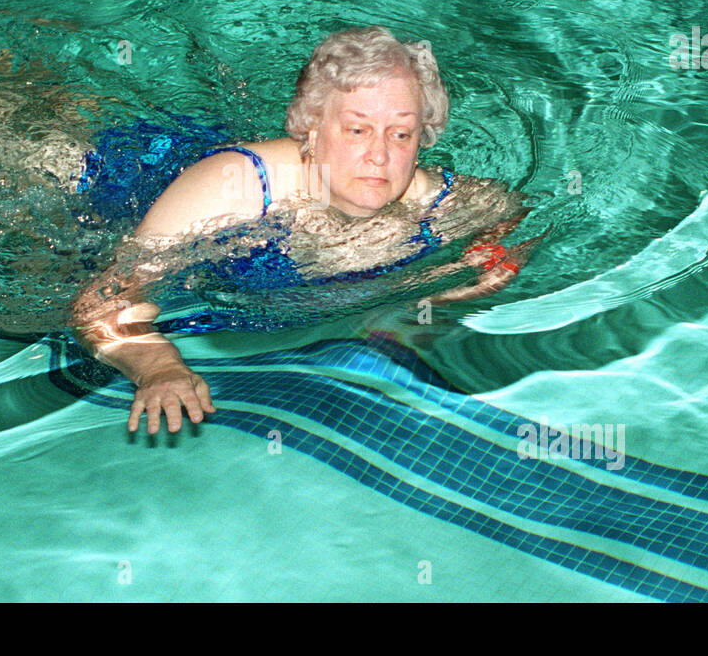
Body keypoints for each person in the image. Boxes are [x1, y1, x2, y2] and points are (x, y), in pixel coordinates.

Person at [66, 26, 547, 436]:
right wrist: (159, 368)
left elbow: (511, 215)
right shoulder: (234, 189)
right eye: (357, 130)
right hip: (106, 177)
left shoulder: (443, 202)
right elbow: (100, 302)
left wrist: (475, 271)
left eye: (400, 133)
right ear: (311, 129)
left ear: (424, 136)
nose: (379, 155)